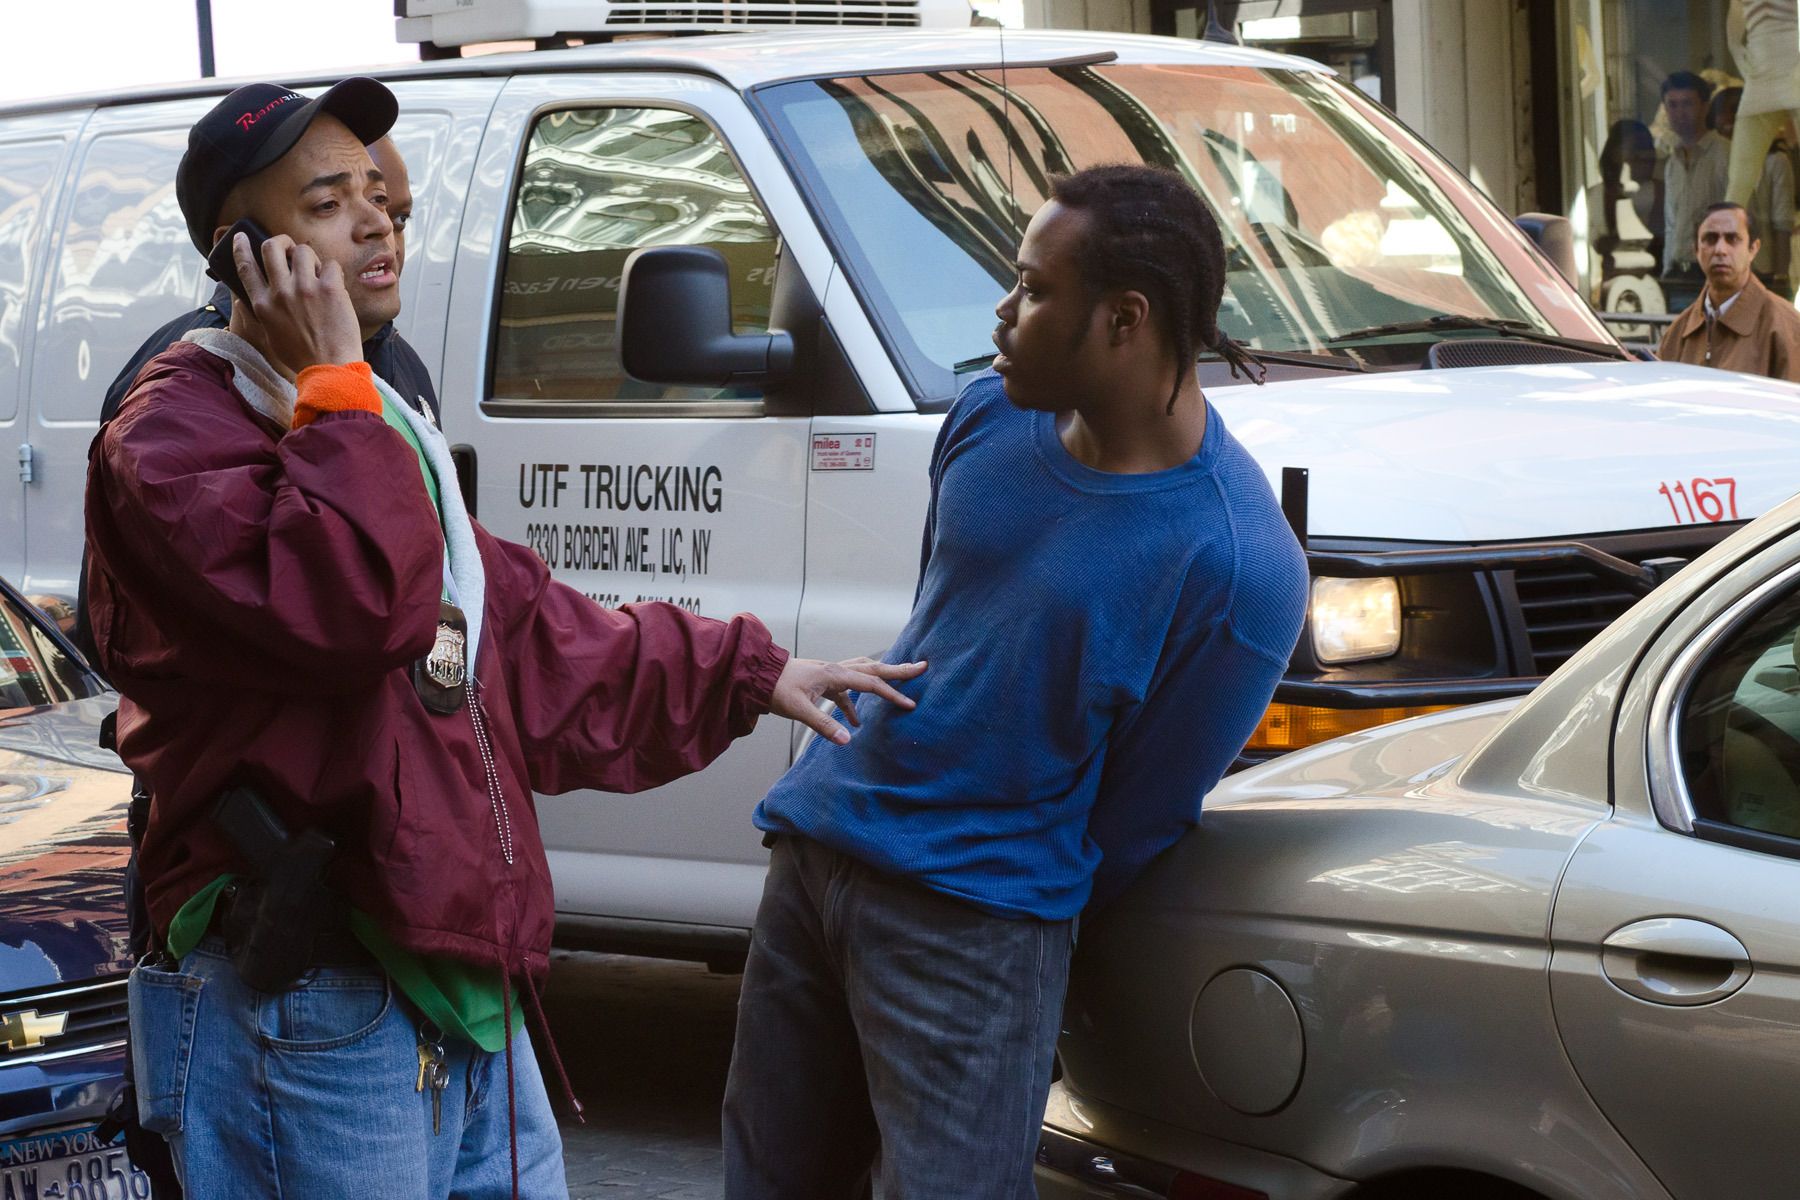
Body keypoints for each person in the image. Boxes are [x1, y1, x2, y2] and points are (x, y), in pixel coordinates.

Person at [86, 77, 923, 1198]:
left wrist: (752, 669)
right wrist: (338, 387)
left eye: (381, 199)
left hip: (457, 984)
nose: (377, 222)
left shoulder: (379, 419)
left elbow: (519, 635)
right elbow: (354, 609)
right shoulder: (174, 436)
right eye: (330, 203)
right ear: (244, 253)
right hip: (308, 1002)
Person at [720, 164, 1309, 1199]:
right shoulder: (990, 417)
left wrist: (1004, 897)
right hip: (816, 850)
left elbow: (1140, 815)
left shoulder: (1235, 564)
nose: (1001, 311)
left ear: (1124, 320)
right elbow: (947, 632)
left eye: (1035, 290)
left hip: (973, 920)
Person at [1658, 201, 1800, 380]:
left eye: (1732, 239)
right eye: (1710, 239)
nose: (1720, 250)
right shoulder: (1678, 331)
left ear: (1753, 249)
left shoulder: (1786, 326)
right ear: (1696, 249)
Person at [1711, 86, 1794, 294]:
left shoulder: (1775, 161)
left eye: (1734, 111)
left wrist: (1780, 278)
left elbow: (1782, 225)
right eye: (1722, 113)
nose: (1728, 120)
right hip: (1722, 268)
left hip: (1762, 268)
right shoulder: (1717, 158)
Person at [1661, 71, 1732, 308]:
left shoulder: (1725, 154)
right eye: (1672, 105)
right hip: (1678, 276)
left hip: (1718, 272)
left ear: (1704, 107)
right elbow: (1671, 225)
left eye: (1687, 104)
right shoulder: (1672, 161)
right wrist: (1666, 272)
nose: (1679, 113)